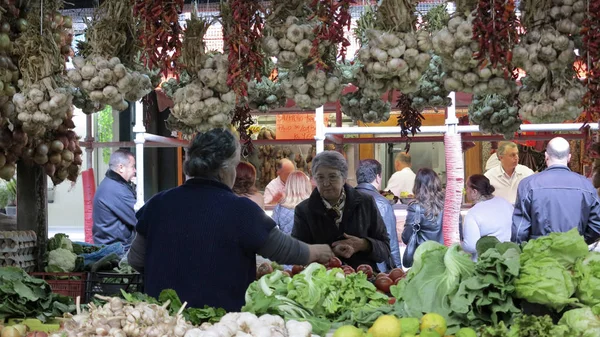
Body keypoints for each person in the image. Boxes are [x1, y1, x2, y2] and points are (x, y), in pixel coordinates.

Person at [127, 128, 333, 312]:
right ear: (225, 169)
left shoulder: (157, 204)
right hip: (220, 322)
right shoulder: (241, 211)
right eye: (235, 165)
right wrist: (316, 251)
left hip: (163, 320)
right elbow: (281, 249)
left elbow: (135, 259)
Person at [292, 151, 391, 270]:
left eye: (332, 176)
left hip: (364, 279)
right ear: (314, 179)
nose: (326, 183)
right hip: (323, 282)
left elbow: (385, 249)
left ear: (344, 178)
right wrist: (331, 253)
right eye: (320, 177)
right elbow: (297, 255)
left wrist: (363, 244)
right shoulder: (304, 210)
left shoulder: (365, 203)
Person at [512, 137, 600, 244]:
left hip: (538, 254)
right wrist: (580, 243)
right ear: (569, 158)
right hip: (574, 254)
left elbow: (520, 229)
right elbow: (596, 226)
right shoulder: (587, 186)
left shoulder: (528, 185)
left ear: (546, 156)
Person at [355, 159, 402, 271]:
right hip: (377, 267)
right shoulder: (382, 203)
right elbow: (391, 241)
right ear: (377, 177)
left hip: (352, 265)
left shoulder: (346, 199)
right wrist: (398, 269)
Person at [92, 149, 137, 251]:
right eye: (132, 166)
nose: (135, 170)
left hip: (110, 245)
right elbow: (139, 217)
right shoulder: (116, 189)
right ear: (121, 168)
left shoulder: (111, 183)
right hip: (117, 251)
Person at [401, 168, 446, 267]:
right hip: (445, 258)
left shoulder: (415, 207)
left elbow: (406, 237)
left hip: (423, 261)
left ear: (417, 185)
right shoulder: (449, 205)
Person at [462, 174, 513, 261]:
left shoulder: (473, 213)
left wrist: (458, 244)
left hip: (486, 262)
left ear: (474, 192)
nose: (466, 191)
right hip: (509, 256)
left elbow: (471, 246)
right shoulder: (505, 202)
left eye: (467, 188)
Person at [272, 171, 312, 235]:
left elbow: (272, 229)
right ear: (306, 185)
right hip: (306, 245)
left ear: (288, 185)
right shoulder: (312, 207)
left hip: (286, 243)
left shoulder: (279, 207)